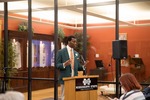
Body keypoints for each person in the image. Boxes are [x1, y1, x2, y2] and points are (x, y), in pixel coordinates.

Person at [56, 35, 88, 100]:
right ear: (69, 42)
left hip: (74, 78)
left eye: (76, 42)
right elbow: (57, 65)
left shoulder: (76, 53)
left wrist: (83, 66)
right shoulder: (61, 52)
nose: (75, 43)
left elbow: (78, 66)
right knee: (64, 97)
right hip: (65, 78)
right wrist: (64, 64)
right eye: (74, 42)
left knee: (73, 96)